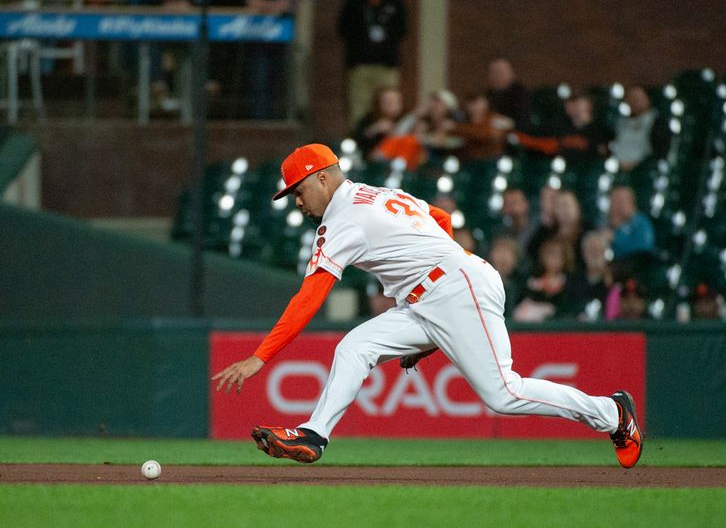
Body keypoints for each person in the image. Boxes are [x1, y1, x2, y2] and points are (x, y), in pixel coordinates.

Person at [212, 143, 643, 469]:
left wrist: (259, 356)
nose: (298, 202)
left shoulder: (341, 218)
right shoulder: (375, 194)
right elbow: (440, 217)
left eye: (299, 190)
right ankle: (313, 435)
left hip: (456, 288)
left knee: (504, 394)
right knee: (354, 347)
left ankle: (612, 412)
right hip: (431, 296)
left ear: (323, 177)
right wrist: (428, 306)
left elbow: (309, 297)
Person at [338, 0, 408, 126]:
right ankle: (359, 137)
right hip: (360, 63)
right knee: (359, 103)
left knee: (389, 101)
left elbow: (402, 29)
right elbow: (343, 28)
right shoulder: (354, 2)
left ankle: (390, 136)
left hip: (386, 64)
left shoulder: (394, 2)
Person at [610, 85, 670, 172]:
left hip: (645, 171)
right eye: (631, 99)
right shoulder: (621, 122)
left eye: (638, 98)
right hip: (618, 170)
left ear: (648, 99)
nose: (635, 102)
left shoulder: (657, 123)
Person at [512, 237, 573, 322]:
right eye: (549, 254)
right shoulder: (532, 278)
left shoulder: (570, 281)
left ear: (565, 257)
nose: (552, 259)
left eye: (557, 254)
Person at [605, 185, 656, 282]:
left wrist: (616, 237)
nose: (617, 205)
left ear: (631, 201)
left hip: (635, 270)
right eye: (614, 200)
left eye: (621, 200)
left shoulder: (640, 221)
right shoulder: (605, 224)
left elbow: (643, 247)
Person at [450, 92, 514, 161]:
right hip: (469, 159)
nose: (475, 107)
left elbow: (493, 134)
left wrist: (459, 129)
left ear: (486, 103)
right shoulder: (463, 121)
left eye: (478, 103)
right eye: (471, 103)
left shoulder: (495, 119)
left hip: (493, 158)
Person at [563, 231, 613, 317]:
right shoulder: (573, 279)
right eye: (590, 250)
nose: (595, 254)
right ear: (583, 254)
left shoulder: (616, 277)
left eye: (598, 250)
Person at [557, 91, 614, 162]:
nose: (577, 107)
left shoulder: (601, 129)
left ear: (589, 105)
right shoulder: (563, 127)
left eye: (580, 104)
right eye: (576, 104)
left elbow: (604, 152)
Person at [351, 86, 405, 157]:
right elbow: (353, 141)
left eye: (396, 101)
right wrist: (373, 130)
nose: (392, 105)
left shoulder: (405, 118)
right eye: (388, 102)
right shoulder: (369, 119)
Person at [485, 58, 531, 131]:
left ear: (511, 74)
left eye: (501, 73)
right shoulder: (488, 94)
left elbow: (523, 120)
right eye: (494, 73)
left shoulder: (520, 93)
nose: (498, 76)